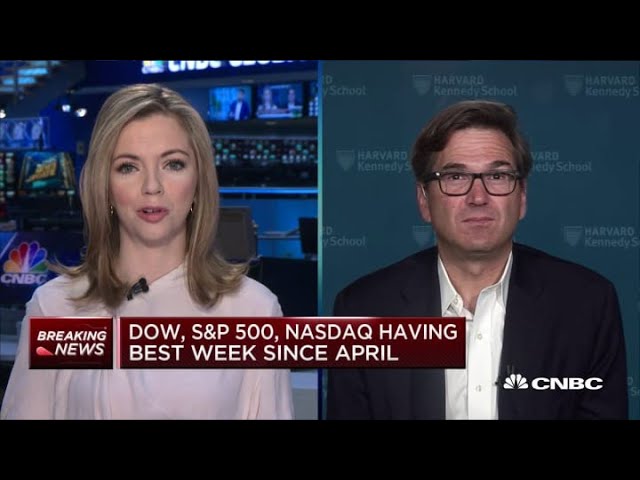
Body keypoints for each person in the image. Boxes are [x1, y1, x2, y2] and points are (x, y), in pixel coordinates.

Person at [0, 84, 293, 419]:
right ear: (105, 185)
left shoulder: (254, 310)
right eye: (128, 167)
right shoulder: (55, 307)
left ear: (198, 181)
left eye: (173, 164)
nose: (152, 186)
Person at [326, 100, 628, 420]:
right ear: (424, 200)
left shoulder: (587, 303)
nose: (478, 197)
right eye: (456, 177)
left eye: (497, 176)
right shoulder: (363, 310)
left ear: (522, 196)